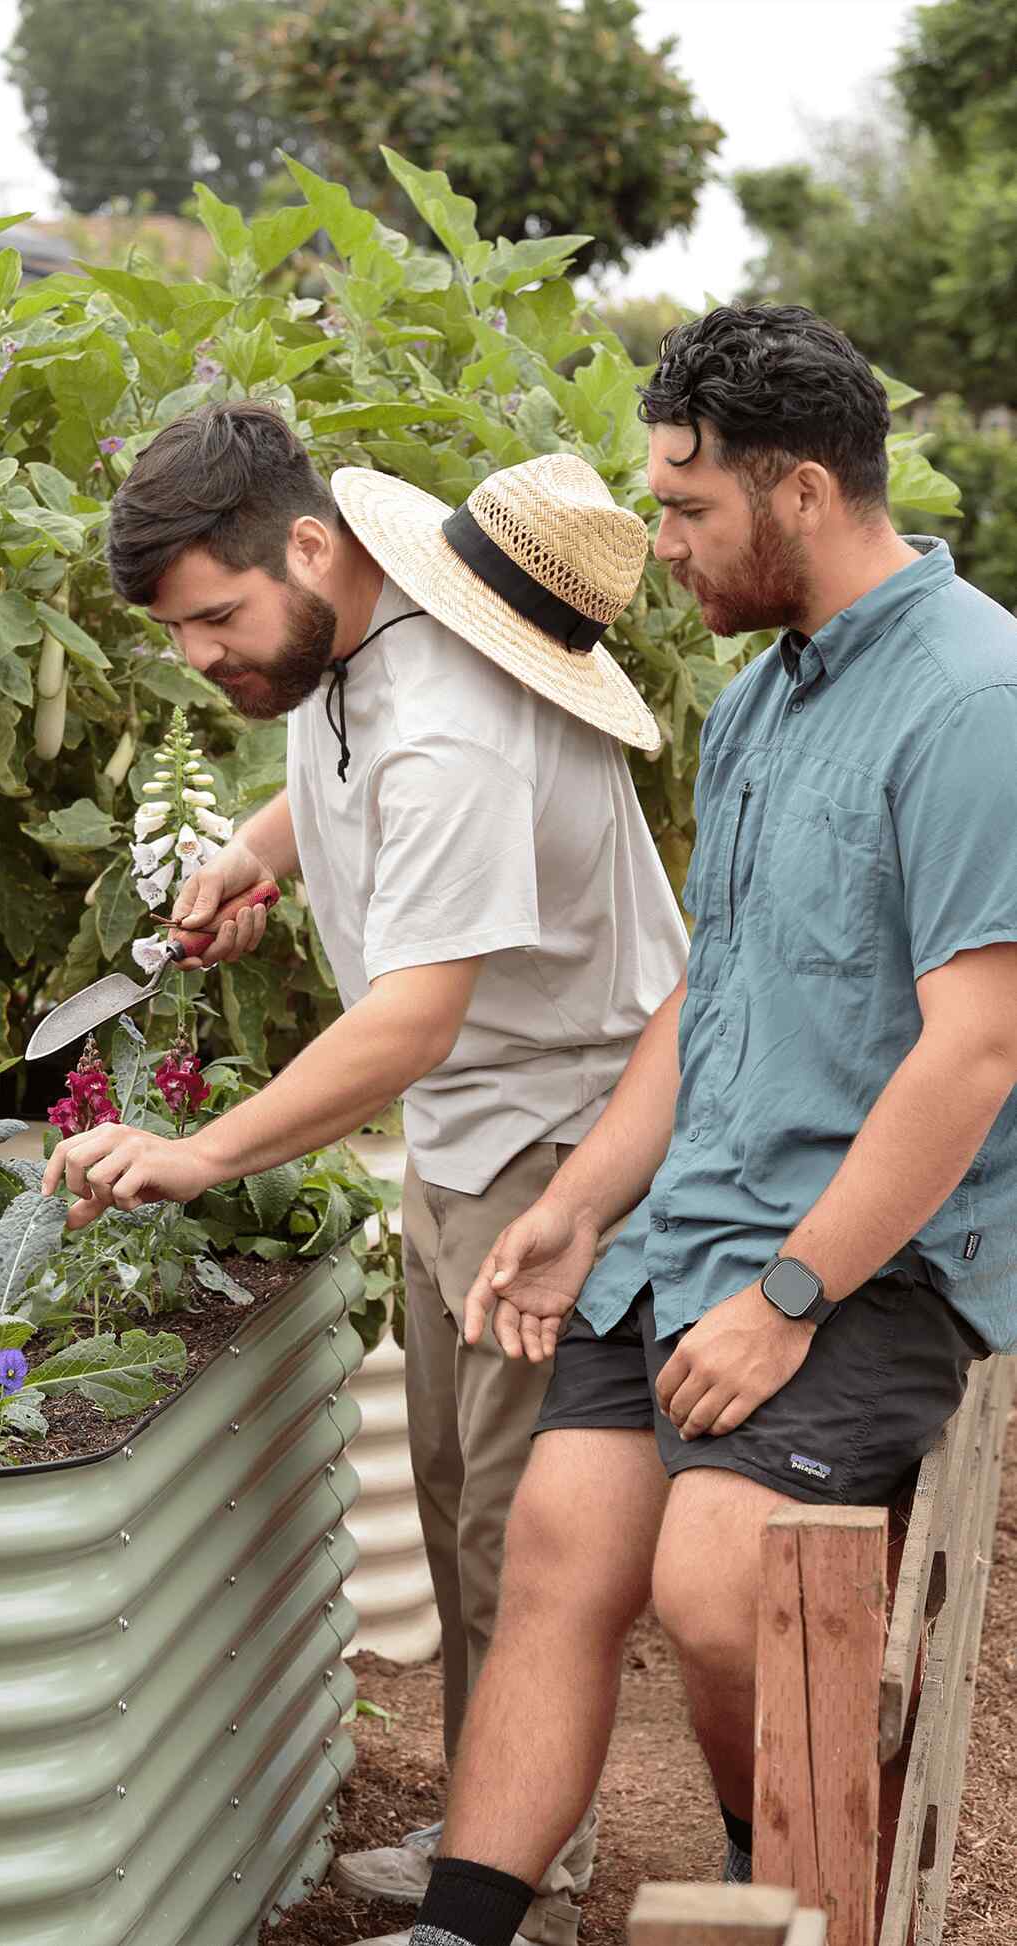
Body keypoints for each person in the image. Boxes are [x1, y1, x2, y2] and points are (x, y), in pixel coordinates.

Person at [367, 302, 1017, 1946]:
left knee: (719, 1580)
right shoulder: (754, 708)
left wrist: (788, 1294)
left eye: (681, 506)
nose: (657, 547)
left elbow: (975, 1050)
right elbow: (701, 1000)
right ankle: (461, 1925)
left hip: (867, 1253)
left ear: (798, 492)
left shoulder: (973, 703)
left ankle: (776, 1874)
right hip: (686, 1228)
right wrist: (583, 1201)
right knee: (560, 1550)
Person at [40, 401, 689, 1946]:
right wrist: (249, 855)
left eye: (215, 614)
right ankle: (501, 1823)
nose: (201, 652)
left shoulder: (453, 722)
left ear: (311, 547)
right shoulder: (341, 642)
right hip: (474, 1128)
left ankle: (521, 1882)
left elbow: (410, 1016)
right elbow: (336, 780)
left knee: (520, 1529)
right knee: (461, 1491)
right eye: (177, 629)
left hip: (561, 1136)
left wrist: (200, 1149)